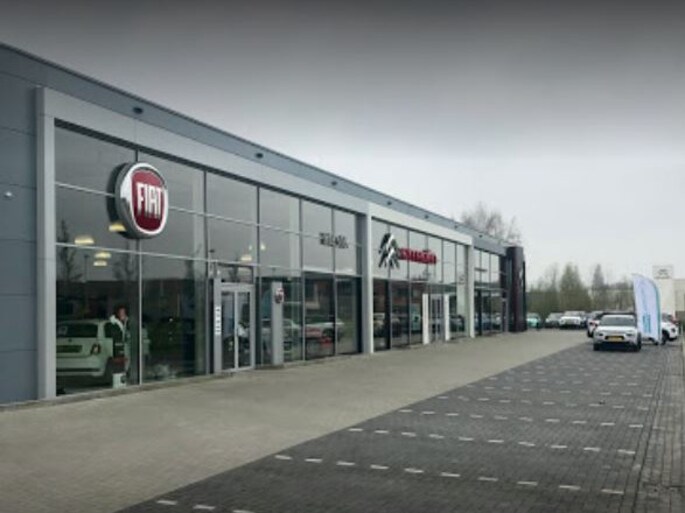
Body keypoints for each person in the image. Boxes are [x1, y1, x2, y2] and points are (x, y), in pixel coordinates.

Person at [109, 305, 131, 380]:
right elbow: (117, 336)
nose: (123, 314)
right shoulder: (114, 323)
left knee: (126, 361)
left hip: (124, 346)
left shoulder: (125, 322)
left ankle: (125, 374)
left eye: (124, 313)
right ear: (117, 314)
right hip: (118, 347)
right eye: (121, 313)